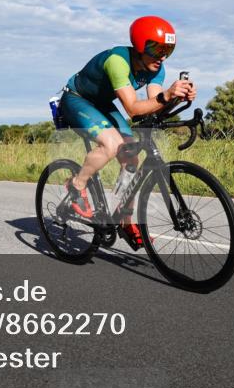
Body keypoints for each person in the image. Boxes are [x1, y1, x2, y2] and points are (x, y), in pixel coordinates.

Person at [58, 16, 196, 248]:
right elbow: (133, 109)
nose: (162, 56)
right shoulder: (117, 61)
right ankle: (77, 185)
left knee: (131, 155)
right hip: (77, 99)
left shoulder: (156, 69)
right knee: (111, 145)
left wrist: (177, 99)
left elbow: (153, 105)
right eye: (157, 48)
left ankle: (124, 218)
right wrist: (168, 95)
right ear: (140, 45)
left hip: (102, 104)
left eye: (168, 50)